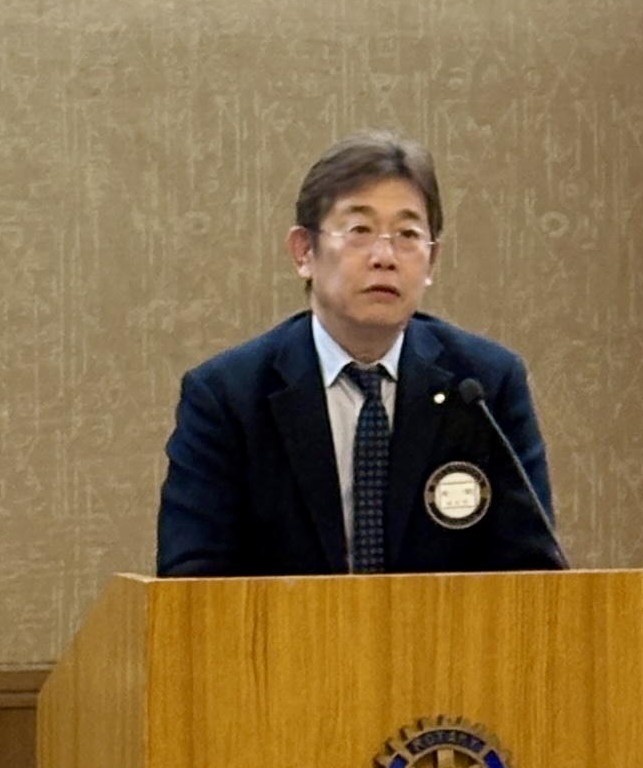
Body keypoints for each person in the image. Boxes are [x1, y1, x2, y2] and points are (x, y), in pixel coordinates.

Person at [156, 131, 566, 577]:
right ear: (304, 252)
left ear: (432, 261)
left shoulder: (484, 386)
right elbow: (191, 582)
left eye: (408, 234)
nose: (384, 256)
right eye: (359, 231)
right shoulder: (228, 397)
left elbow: (533, 573)